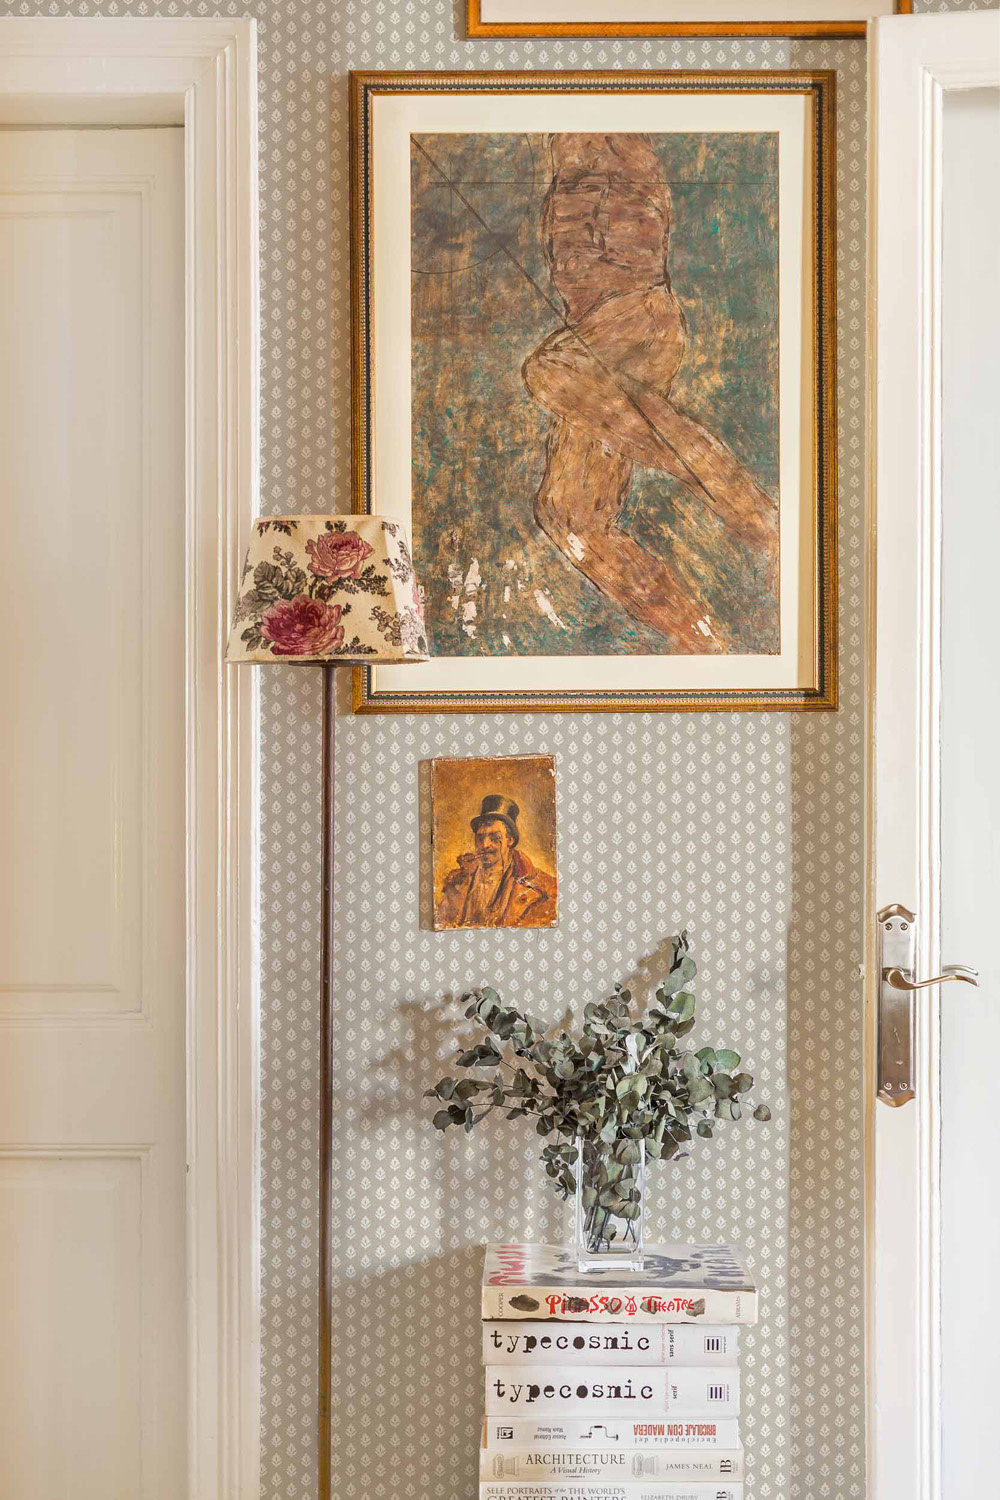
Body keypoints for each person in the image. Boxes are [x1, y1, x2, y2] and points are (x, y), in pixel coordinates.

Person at [436, 794, 556, 929]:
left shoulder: (540, 889)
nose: (485, 845)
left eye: (495, 838)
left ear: (510, 840)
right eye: (480, 837)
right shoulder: (458, 882)